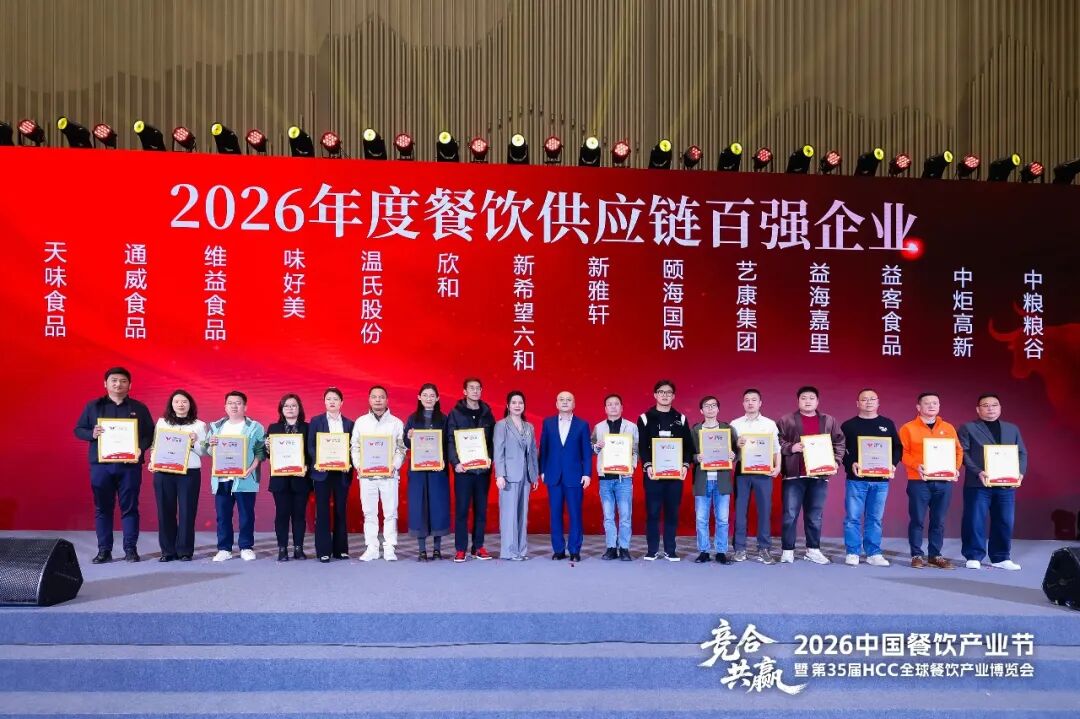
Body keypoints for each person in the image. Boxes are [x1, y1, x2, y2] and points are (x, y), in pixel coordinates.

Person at [73, 367, 154, 563]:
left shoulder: (139, 408)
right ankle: (104, 551)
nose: (118, 384)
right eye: (114, 380)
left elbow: (149, 434)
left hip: (129, 466)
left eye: (123, 381)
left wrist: (140, 448)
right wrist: (91, 433)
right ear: (106, 384)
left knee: (130, 508)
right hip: (102, 466)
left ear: (130, 385)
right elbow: (78, 429)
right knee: (103, 508)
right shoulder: (93, 406)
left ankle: (130, 549)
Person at [958, 394, 1028, 571]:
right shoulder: (968, 428)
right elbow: (962, 453)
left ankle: (1001, 557)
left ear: (1000, 408)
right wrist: (978, 471)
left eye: (994, 405)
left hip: (1006, 484)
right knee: (974, 520)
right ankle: (973, 556)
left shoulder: (1012, 429)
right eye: (986, 405)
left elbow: (1021, 452)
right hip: (978, 483)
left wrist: (1019, 473)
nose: (990, 408)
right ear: (978, 409)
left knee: (1005, 520)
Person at [776, 386, 845, 565]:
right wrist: (791, 447)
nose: (808, 401)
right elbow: (776, 442)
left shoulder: (829, 421)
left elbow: (839, 443)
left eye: (811, 398)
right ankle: (787, 550)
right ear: (798, 401)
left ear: (817, 401)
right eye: (804, 398)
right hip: (794, 475)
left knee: (815, 516)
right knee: (790, 515)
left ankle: (813, 550)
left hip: (819, 475)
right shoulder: (786, 420)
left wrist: (836, 462)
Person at [899, 392, 963, 569]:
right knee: (917, 520)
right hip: (918, 481)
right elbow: (903, 453)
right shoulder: (908, 428)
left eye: (935, 403)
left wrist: (955, 468)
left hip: (943, 482)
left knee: (939, 520)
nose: (931, 406)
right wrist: (916, 465)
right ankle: (916, 555)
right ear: (918, 407)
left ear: (939, 406)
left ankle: (935, 555)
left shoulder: (948, 428)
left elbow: (958, 451)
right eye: (927, 403)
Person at [839, 388, 902, 567]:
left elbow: (897, 447)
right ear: (857, 403)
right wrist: (850, 463)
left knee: (875, 518)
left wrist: (892, 464)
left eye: (872, 399)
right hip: (856, 480)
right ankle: (853, 552)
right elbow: (841, 449)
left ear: (878, 402)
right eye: (864, 399)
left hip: (880, 481)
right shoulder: (848, 425)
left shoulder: (887, 424)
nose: (868, 402)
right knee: (853, 517)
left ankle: (874, 553)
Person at [637, 379, 694, 561]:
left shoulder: (681, 418)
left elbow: (688, 447)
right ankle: (652, 550)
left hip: (674, 475)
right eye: (661, 392)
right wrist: (648, 465)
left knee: (672, 513)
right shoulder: (645, 418)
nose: (665, 395)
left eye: (668, 392)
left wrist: (685, 465)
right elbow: (642, 446)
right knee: (652, 512)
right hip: (653, 474)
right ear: (655, 395)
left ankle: (670, 550)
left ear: (673, 396)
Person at [205, 391, 266, 562]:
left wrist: (251, 469)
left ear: (245, 407)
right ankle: (224, 549)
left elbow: (261, 452)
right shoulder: (216, 427)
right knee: (223, 516)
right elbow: (208, 451)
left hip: (245, 478)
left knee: (246, 515)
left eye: (238, 403)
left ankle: (246, 547)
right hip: (222, 479)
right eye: (230, 403)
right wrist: (210, 444)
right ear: (225, 406)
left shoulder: (255, 427)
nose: (234, 406)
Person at [148, 389, 206, 562]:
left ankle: (185, 550)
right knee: (165, 510)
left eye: (184, 401)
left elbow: (204, 451)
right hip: (164, 471)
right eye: (177, 401)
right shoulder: (162, 423)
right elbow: (155, 445)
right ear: (171, 405)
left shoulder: (199, 425)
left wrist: (194, 442)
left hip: (189, 472)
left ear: (190, 404)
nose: (181, 404)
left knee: (187, 511)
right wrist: (152, 462)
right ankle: (167, 551)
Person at [351, 386, 406, 562]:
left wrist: (394, 465)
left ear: (387, 400)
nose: (377, 400)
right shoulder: (361, 422)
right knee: (369, 513)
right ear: (369, 400)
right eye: (374, 397)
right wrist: (359, 465)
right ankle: (372, 548)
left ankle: (389, 548)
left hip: (389, 475)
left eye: (381, 397)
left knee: (390, 513)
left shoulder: (396, 423)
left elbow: (401, 448)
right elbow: (355, 447)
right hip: (367, 476)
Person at [446, 378, 497, 562]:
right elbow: (450, 440)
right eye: (471, 388)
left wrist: (490, 457)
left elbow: (493, 440)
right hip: (464, 471)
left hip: (482, 471)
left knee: (481, 510)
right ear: (465, 391)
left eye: (478, 388)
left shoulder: (487, 413)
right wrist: (455, 462)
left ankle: (478, 546)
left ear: (481, 391)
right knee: (462, 510)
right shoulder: (455, 413)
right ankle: (461, 549)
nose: (475, 391)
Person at [729, 389, 781, 564]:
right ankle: (740, 549)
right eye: (747, 400)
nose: (750, 403)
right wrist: (736, 444)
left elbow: (776, 449)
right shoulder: (735, 424)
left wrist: (778, 466)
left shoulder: (769, 424)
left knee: (765, 510)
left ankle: (764, 548)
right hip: (742, 471)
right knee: (740, 510)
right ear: (743, 403)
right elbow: (729, 452)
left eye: (754, 400)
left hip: (763, 471)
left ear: (760, 403)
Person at [539, 391, 592, 561]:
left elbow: (586, 452)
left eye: (569, 400)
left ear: (574, 404)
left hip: (575, 476)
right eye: (561, 399)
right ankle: (558, 549)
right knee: (555, 514)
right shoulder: (548, 423)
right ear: (556, 403)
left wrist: (587, 473)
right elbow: (544, 449)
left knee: (575, 514)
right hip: (553, 475)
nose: (565, 402)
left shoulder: (582, 425)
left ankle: (575, 550)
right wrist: (542, 470)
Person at [404, 383, 451, 561]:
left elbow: (448, 443)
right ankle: (422, 550)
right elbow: (406, 444)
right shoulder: (412, 418)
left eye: (432, 395)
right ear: (419, 397)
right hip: (418, 471)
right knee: (420, 508)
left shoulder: (444, 419)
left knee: (438, 507)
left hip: (437, 470)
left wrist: (444, 461)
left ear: (437, 398)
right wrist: (408, 437)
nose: (428, 398)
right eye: (425, 395)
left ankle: (437, 549)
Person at [307, 388, 355, 563]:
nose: (332, 402)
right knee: (322, 511)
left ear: (342, 402)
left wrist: (348, 462)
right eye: (328, 399)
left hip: (342, 473)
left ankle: (341, 550)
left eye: (335, 399)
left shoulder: (349, 424)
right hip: (322, 473)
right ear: (324, 402)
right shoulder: (316, 421)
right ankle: (323, 550)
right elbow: (311, 445)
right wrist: (319, 461)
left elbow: (353, 447)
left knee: (341, 510)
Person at [590, 394, 639, 561]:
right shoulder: (598, 427)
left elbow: (636, 450)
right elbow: (591, 447)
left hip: (624, 478)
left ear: (621, 407)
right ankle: (611, 547)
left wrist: (631, 466)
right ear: (605, 408)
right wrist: (597, 447)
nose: (613, 407)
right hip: (605, 478)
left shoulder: (631, 427)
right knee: (608, 515)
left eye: (616, 404)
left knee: (625, 515)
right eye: (609, 404)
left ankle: (624, 548)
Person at [691, 396, 738, 564]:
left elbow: (737, 451)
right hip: (702, 480)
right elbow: (688, 454)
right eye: (706, 406)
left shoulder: (727, 429)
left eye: (713, 405)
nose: (710, 408)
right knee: (701, 519)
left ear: (718, 409)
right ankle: (703, 551)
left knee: (723, 519)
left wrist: (733, 455)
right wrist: (696, 457)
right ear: (701, 410)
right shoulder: (695, 430)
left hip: (722, 480)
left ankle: (721, 551)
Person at [493, 391, 539, 561]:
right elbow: (498, 451)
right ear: (508, 406)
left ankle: (521, 550)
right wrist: (499, 475)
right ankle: (509, 551)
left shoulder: (529, 427)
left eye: (520, 402)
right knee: (509, 515)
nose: (517, 405)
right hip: (508, 476)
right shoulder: (501, 425)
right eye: (514, 402)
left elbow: (533, 452)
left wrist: (534, 475)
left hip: (525, 476)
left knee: (522, 515)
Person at [266, 393, 311, 562]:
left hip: (301, 478)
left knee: (299, 515)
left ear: (299, 409)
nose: (290, 408)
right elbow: (269, 456)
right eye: (286, 406)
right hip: (280, 480)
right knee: (282, 514)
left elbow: (312, 452)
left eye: (293, 405)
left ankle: (298, 548)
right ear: (281, 409)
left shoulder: (308, 428)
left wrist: (307, 466)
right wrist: (268, 448)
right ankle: (282, 549)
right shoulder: (273, 428)